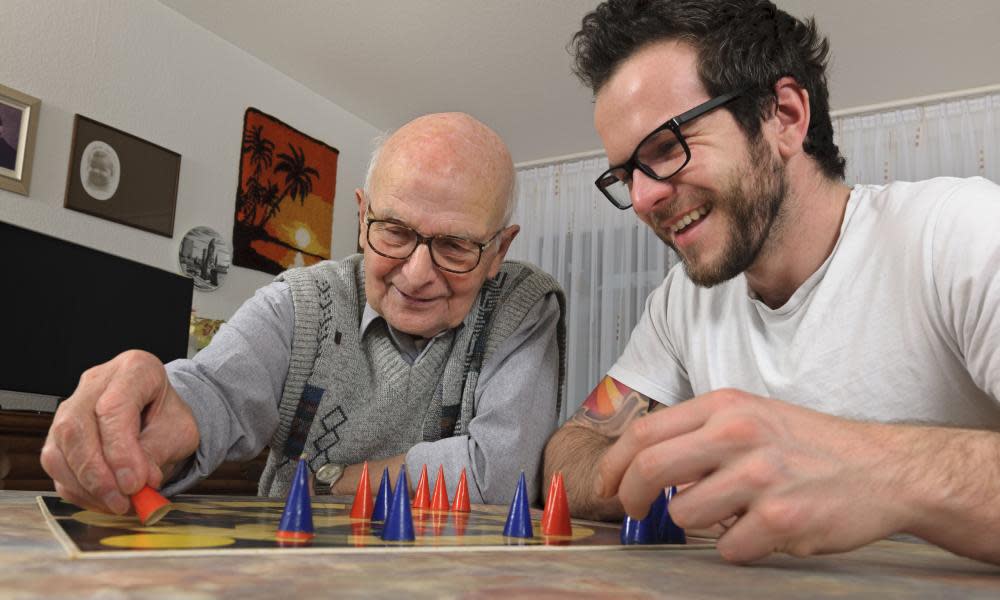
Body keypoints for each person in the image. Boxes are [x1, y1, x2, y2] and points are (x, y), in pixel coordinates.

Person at [544, 0, 1000, 565]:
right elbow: (571, 451)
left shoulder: (962, 234)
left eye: (666, 148)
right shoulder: (682, 302)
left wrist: (877, 468)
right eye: (624, 177)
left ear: (784, 115)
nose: (642, 199)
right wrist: (670, 472)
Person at [42, 112, 567, 513]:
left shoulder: (522, 306)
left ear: (499, 251)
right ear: (362, 219)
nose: (415, 274)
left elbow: (500, 476)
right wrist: (160, 413)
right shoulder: (301, 300)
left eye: (455, 246)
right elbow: (214, 390)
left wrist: (333, 477)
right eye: (395, 232)